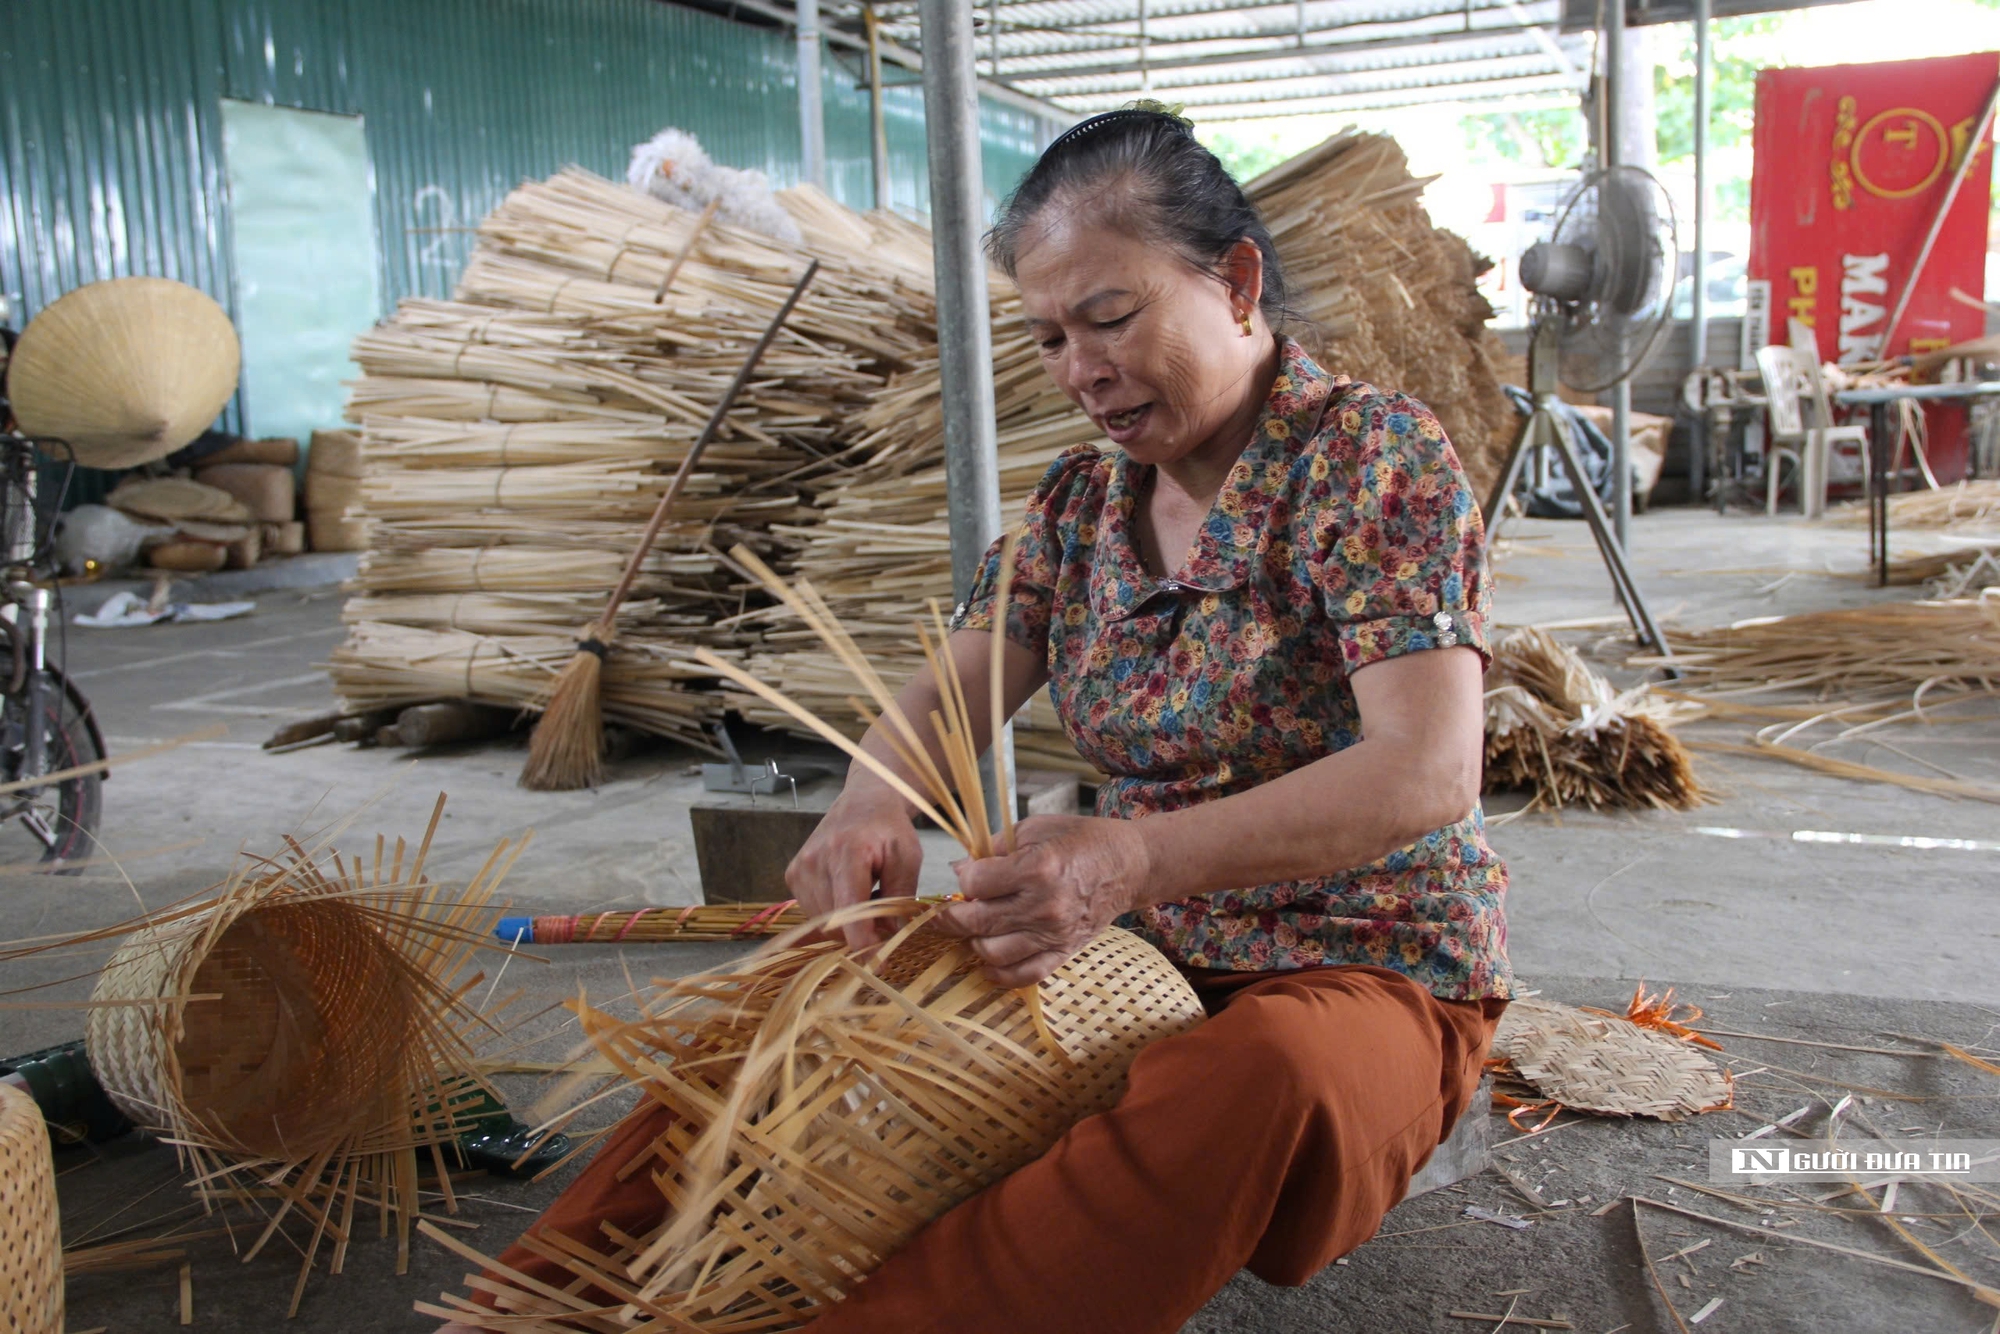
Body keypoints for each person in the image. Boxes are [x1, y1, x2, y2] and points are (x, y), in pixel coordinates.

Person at [441, 104, 1509, 1334]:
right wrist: (866, 801)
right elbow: (956, 683)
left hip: (1365, 959)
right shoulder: (1077, 505)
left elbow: (1423, 770)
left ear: (1236, 282)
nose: (1079, 368)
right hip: (1121, 948)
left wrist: (1131, 853)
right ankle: (534, 1304)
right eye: (1050, 336)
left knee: (1257, 1081)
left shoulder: (1367, 458)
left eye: (1109, 318)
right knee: (804, 1003)